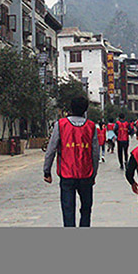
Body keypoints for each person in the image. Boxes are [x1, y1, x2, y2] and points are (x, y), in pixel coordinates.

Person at [44, 96, 100, 227]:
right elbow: (95, 153)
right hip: (86, 174)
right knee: (86, 208)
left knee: (68, 209)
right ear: (85, 109)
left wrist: (47, 171)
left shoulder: (61, 125)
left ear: (71, 108)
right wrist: (94, 174)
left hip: (67, 174)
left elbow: (51, 149)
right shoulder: (91, 127)